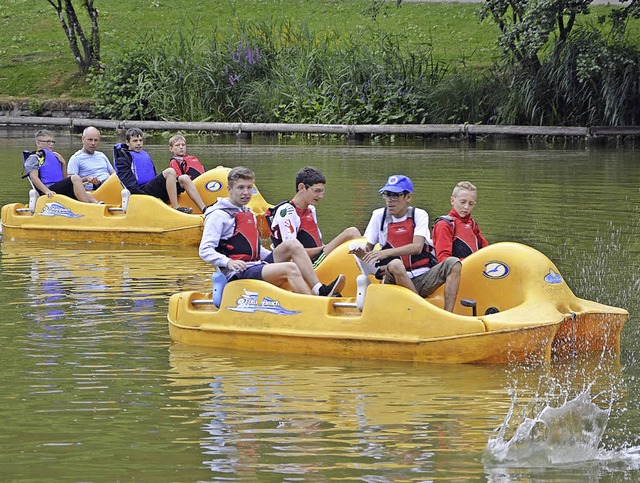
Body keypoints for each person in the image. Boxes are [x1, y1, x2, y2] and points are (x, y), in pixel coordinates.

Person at [199, 166, 346, 297]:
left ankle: (319, 289)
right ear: (230, 189)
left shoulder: (248, 212)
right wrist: (228, 262)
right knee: (291, 268)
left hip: (255, 265)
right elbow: (205, 250)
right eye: (240, 188)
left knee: (291, 244)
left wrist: (272, 257)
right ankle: (314, 305)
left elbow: (255, 249)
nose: (246, 193)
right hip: (237, 272)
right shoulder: (218, 215)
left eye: (249, 188)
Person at [356, 175, 461, 312]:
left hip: (421, 278)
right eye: (387, 195)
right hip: (394, 281)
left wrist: (384, 253)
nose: (389, 201)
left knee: (454, 263)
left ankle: (448, 316)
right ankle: (422, 310)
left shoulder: (419, 215)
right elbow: (368, 252)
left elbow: (417, 247)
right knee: (395, 264)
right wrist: (361, 253)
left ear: (408, 197)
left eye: (395, 196)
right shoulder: (378, 216)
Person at [268, 166, 361, 266]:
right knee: (351, 232)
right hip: (306, 265)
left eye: (322, 191)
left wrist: (328, 248)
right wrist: (328, 248)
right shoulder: (287, 212)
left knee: (353, 239)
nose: (321, 196)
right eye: (317, 191)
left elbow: (317, 242)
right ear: (301, 187)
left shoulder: (311, 209)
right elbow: (293, 253)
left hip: (319, 257)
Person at [114, 128, 206, 214]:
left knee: (184, 178)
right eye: (135, 141)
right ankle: (176, 207)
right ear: (127, 142)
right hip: (142, 192)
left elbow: (153, 174)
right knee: (170, 171)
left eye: (140, 140)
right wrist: (144, 197)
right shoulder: (123, 159)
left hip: (152, 189)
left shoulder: (143, 154)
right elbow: (128, 182)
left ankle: (205, 209)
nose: (138, 143)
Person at [23, 129, 100, 203]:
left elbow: (64, 179)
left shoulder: (55, 157)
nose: (51, 144)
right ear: (38, 143)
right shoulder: (34, 158)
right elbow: (34, 177)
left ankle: (99, 207)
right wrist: (47, 191)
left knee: (88, 195)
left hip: (58, 188)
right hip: (48, 190)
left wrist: (63, 164)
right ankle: (86, 206)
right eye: (48, 141)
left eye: (53, 142)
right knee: (75, 177)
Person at [432, 180, 489, 263]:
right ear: (452, 200)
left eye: (471, 204)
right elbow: (443, 259)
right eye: (462, 202)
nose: (466, 207)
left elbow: (486, 249)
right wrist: (471, 262)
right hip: (456, 271)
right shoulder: (444, 225)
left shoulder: (472, 224)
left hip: (475, 267)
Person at [67, 126, 115, 190]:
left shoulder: (101, 155)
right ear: (83, 139)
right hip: (94, 190)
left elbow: (113, 173)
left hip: (110, 185)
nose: (93, 143)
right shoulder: (75, 158)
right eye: (90, 140)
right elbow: (70, 183)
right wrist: (86, 178)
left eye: (96, 140)